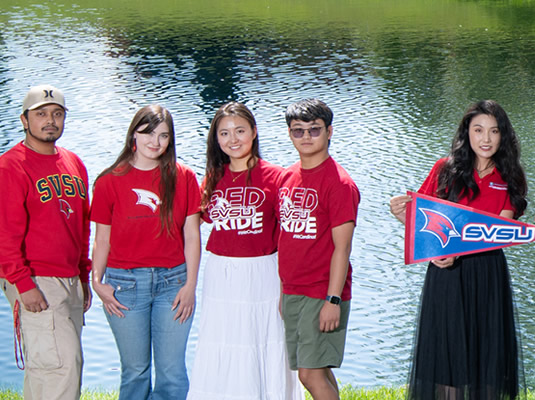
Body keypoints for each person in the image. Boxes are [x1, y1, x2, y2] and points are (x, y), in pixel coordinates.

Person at [387, 100, 530, 400]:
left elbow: (499, 234)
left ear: (503, 136)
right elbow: (424, 224)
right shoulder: (445, 169)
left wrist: (459, 251)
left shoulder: (511, 177)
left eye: (493, 131)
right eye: (478, 130)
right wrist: (404, 215)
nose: (486, 139)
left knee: (486, 362)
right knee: (447, 364)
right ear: (467, 132)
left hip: (488, 275)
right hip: (446, 276)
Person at [88, 104, 206, 400]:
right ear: (134, 135)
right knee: (135, 371)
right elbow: (102, 239)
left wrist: (191, 286)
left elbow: (192, 235)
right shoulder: (108, 181)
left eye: (164, 136)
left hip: (173, 284)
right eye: (148, 133)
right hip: (123, 286)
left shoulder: (184, 177)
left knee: (172, 372)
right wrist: (96, 282)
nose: (155, 141)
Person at [0, 85, 90, 400]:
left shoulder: (73, 163)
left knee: (47, 370)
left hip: (69, 279)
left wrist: (82, 276)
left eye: (57, 114)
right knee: (61, 368)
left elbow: (80, 227)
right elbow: (0, 235)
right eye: (41, 114)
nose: (50, 121)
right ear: (24, 120)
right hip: (36, 278)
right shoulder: (9, 167)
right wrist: (22, 283)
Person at [189, 101, 298, 400]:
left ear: (254, 132)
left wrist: (287, 283)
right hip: (222, 272)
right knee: (224, 339)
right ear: (216, 139)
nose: (233, 139)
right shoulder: (212, 178)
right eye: (224, 133)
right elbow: (194, 223)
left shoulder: (277, 177)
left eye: (240, 131)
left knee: (264, 338)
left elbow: (290, 235)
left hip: (263, 270)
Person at [275, 99, 361, 400]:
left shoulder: (339, 184)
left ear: (329, 132)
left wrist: (332, 300)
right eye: (298, 131)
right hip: (294, 291)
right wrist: (283, 291)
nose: (306, 137)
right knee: (318, 369)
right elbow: (286, 240)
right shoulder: (287, 178)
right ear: (289, 134)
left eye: (314, 130)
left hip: (322, 292)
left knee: (309, 374)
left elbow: (343, 248)